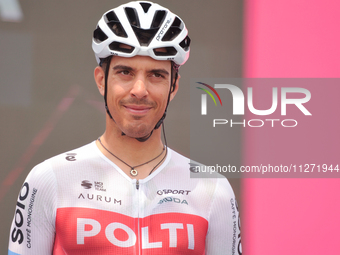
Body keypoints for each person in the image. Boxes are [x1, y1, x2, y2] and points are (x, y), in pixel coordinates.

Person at [8, 1, 242, 254]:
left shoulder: (213, 188)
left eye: (156, 75)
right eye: (125, 72)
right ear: (101, 80)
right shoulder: (49, 178)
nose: (140, 90)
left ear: (173, 86)